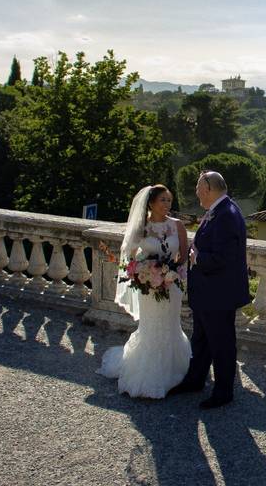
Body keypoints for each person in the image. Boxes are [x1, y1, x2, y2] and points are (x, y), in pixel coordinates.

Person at [97, 184, 191, 398]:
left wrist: (171, 273)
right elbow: (129, 259)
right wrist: (142, 274)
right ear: (151, 203)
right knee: (151, 328)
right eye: (163, 200)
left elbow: (183, 256)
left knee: (171, 326)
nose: (167, 204)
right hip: (149, 289)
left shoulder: (178, 226)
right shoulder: (142, 228)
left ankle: (174, 371)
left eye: (169, 200)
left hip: (172, 285)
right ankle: (149, 375)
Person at [168, 171, 251, 409]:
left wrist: (198, 258)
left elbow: (223, 257)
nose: (195, 192)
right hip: (211, 293)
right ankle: (195, 380)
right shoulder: (222, 209)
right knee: (202, 339)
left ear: (208, 188)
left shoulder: (226, 215)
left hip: (218, 294)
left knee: (221, 343)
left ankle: (223, 392)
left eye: (197, 188)